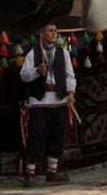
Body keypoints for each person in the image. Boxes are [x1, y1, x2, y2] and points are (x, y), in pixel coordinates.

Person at [19, 24, 75, 186]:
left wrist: (71, 92)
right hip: (40, 100)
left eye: (56, 31)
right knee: (37, 135)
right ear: (42, 34)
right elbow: (24, 76)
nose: (54, 33)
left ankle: (52, 172)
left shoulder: (63, 53)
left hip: (59, 99)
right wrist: (37, 71)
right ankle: (29, 173)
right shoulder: (33, 54)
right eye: (51, 31)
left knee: (57, 135)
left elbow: (69, 74)